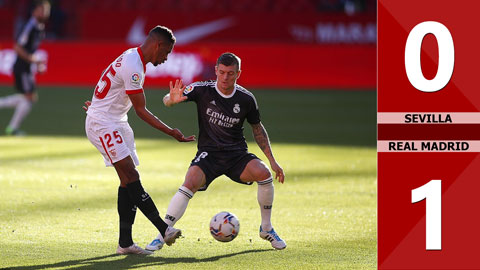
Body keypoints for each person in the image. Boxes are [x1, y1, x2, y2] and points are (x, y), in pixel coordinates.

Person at [146, 52, 287, 251]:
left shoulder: (246, 99)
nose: (225, 77)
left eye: (230, 73)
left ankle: (267, 228)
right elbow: (167, 99)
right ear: (216, 71)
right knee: (190, 181)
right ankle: (163, 232)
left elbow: (257, 129)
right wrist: (171, 100)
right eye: (221, 72)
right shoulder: (202, 89)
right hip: (209, 154)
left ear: (238, 73)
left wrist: (272, 160)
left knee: (264, 174)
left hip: (236, 154)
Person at [84, 25, 195, 255]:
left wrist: (98, 106)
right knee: (132, 176)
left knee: (127, 181)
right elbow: (141, 111)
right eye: (166, 53)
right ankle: (164, 229)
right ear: (158, 45)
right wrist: (171, 132)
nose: (166, 58)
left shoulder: (132, 58)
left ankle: (125, 244)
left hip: (115, 121)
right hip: (104, 123)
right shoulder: (134, 65)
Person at [0, 0, 50, 135]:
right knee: (29, 97)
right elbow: (17, 47)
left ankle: (12, 127)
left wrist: (36, 63)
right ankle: (13, 128)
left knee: (30, 98)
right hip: (21, 68)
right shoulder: (30, 26)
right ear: (34, 11)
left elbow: (31, 51)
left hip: (26, 68)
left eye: (46, 10)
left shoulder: (40, 27)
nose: (44, 12)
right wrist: (33, 60)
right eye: (41, 9)